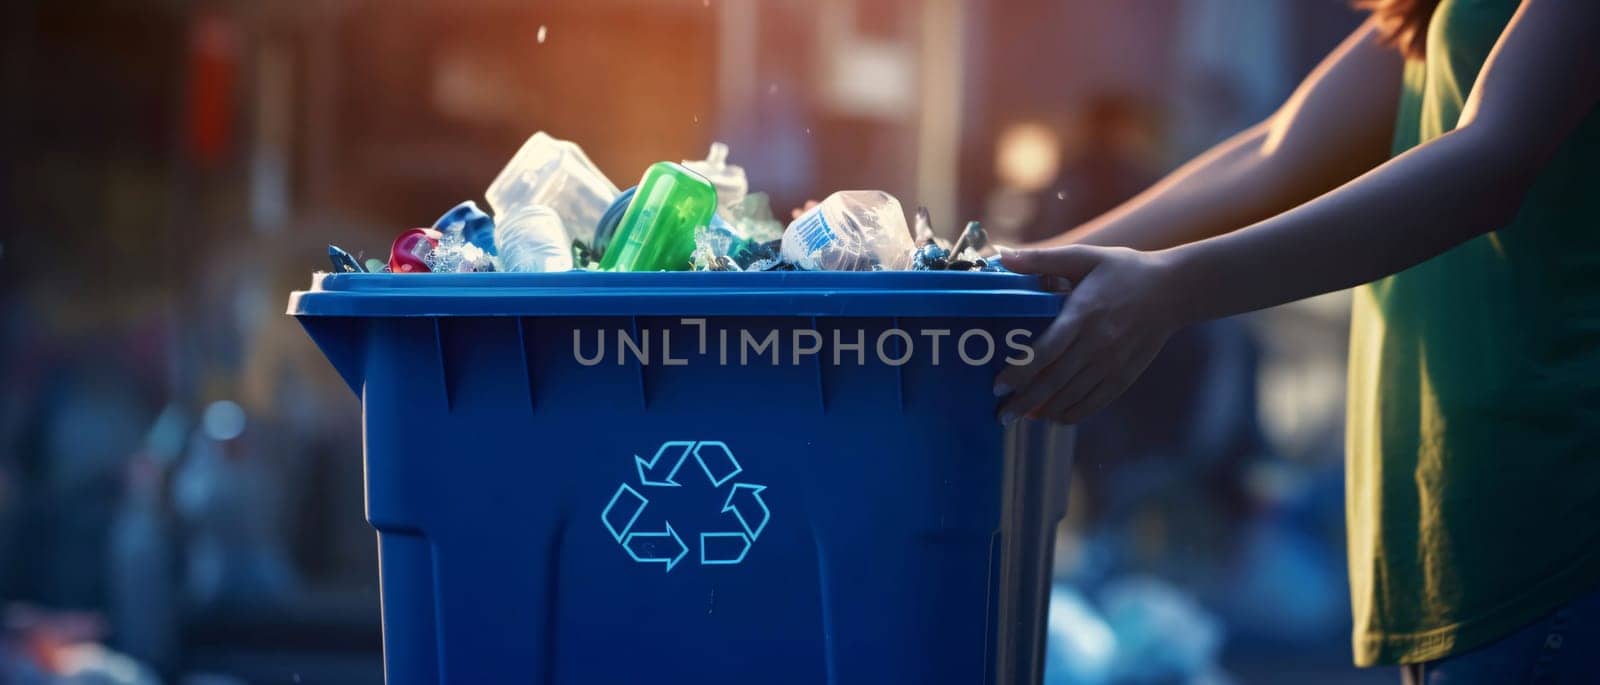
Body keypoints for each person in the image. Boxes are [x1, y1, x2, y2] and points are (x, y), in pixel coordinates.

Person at [992, 0, 1600, 682]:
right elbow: (1274, 154)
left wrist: (1169, 289)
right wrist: (1003, 274)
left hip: (1554, 525)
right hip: (1452, 543)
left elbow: (1491, 161)